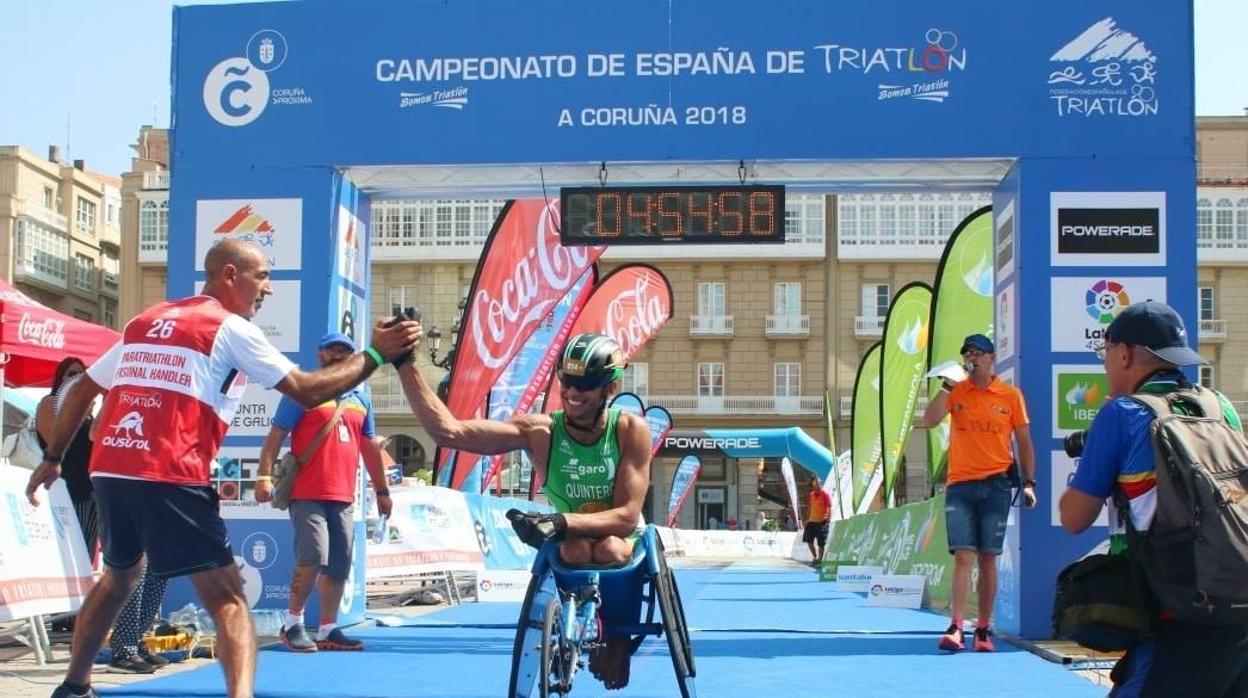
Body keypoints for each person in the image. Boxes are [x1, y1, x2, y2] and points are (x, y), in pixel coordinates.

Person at [25, 239, 421, 698]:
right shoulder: (229, 328)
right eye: (263, 276)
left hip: (112, 471)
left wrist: (53, 458)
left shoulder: (145, 320)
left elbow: (78, 390)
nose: (268, 289)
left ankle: (74, 686)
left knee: (119, 575)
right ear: (230, 274)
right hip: (169, 471)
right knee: (230, 601)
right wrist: (374, 355)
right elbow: (306, 389)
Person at [395, 332, 651, 691]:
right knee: (575, 550)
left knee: (609, 547)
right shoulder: (540, 432)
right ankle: (578, 625)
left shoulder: (629, 430)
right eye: (568, 382)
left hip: (618, 535)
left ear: (609, 388)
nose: (574, 393)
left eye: (587, 385)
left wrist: (559, 520)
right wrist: (404, 364)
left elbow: (625, 516)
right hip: (571, 537)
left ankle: (619, 638)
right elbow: (449, 432)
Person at [1059, 300, 1248, 696]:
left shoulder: (1123, 413)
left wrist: (1099, 455)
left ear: (1124, 353)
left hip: (1174, 613)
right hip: (1238, 606)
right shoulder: (1221, 407)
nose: (1105, 363)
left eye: (1105, 353)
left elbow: (1074, 517)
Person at [256, 332, 394, 653]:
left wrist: (383, 490)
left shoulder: (362, 397)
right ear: (320, 354)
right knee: (313, 558)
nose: (339, 355)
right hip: (307, 492)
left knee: (339, 564)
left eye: (345, 351)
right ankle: (292, 624)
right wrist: (263, 475)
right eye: (332, 349)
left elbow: (370, 449)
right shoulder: (304, 391)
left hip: (344, 496)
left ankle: (328, 628)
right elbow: (276, 436)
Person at [922, 333, 1036, 653]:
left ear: (990, 358)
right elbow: (929, 421)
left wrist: (1029, 482)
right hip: (960, 485)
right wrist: (945, 386)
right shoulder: (956, 391)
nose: (971, 359)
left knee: (988, 559)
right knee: (963, 556)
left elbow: (1025, 442)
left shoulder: (1010, 395)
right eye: (967, 354)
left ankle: (983, 630)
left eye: (977, 353)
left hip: (998, 485)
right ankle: (956, 626)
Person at [35, 358, 96, 558]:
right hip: (63, 490)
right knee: (64, 554)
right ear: (61, 377)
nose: (77, 380)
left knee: (84, 555)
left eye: (81, 375)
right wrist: (79, 414)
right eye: (72, 374)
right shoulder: (50, 403)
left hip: (87, 493)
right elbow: (52, 438)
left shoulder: (86, 413)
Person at [804, 475, 832, 563]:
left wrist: (828, 520)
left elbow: (829, 508)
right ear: (812, 485)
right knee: (809, 541)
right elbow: (810, 507)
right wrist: (807, 518)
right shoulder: (811, 494)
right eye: (816, 483)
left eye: (819, 483)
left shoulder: (825, 495)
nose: (818, 484)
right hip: (812, 521)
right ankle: (815, 557)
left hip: (822, 522)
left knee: (821, 543)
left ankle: (820, 560)